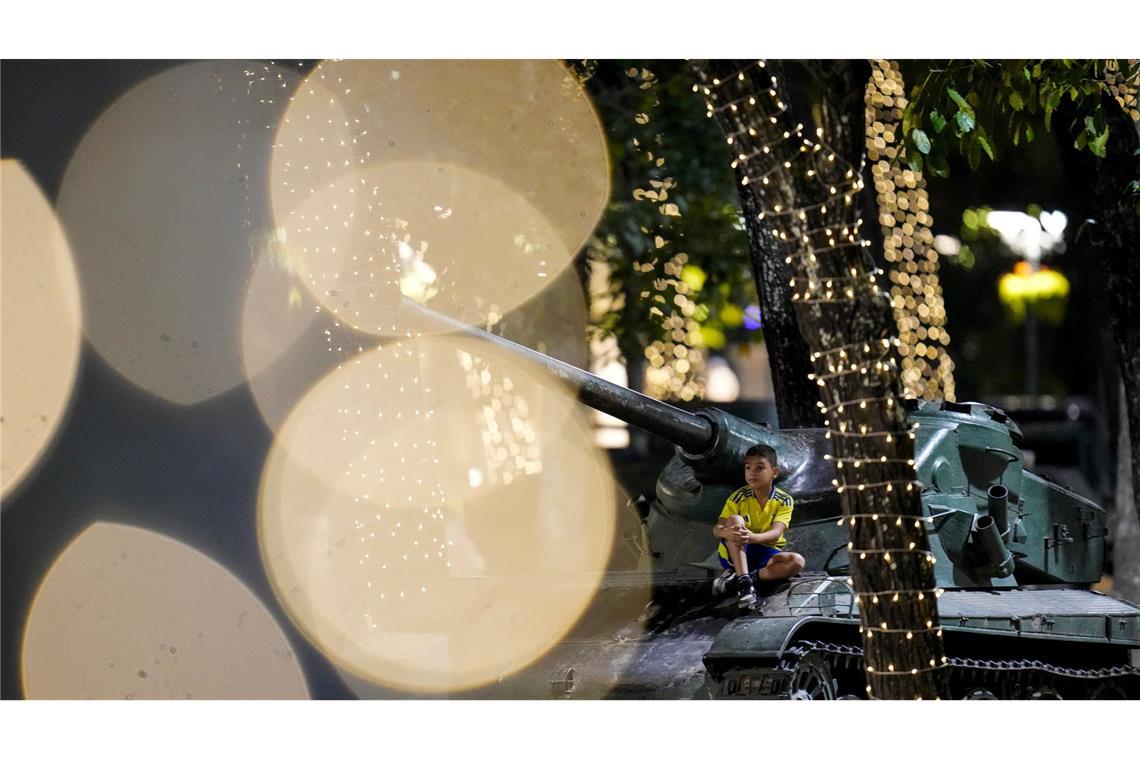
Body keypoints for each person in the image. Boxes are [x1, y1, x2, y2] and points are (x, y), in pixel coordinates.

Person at [711, 444, 806, 608]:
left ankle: (747, 578)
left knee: (797, 561)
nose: (752, 473)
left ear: (774, 472)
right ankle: (744, 583)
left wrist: (753, 537)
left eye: (759, 468)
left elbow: (776, 532)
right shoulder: (738, 497)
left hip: (765, 551)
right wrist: (726, 533)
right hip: (737, 550)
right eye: (748, 468)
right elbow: (717, 529)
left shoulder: (784, 500)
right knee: (734, 520)